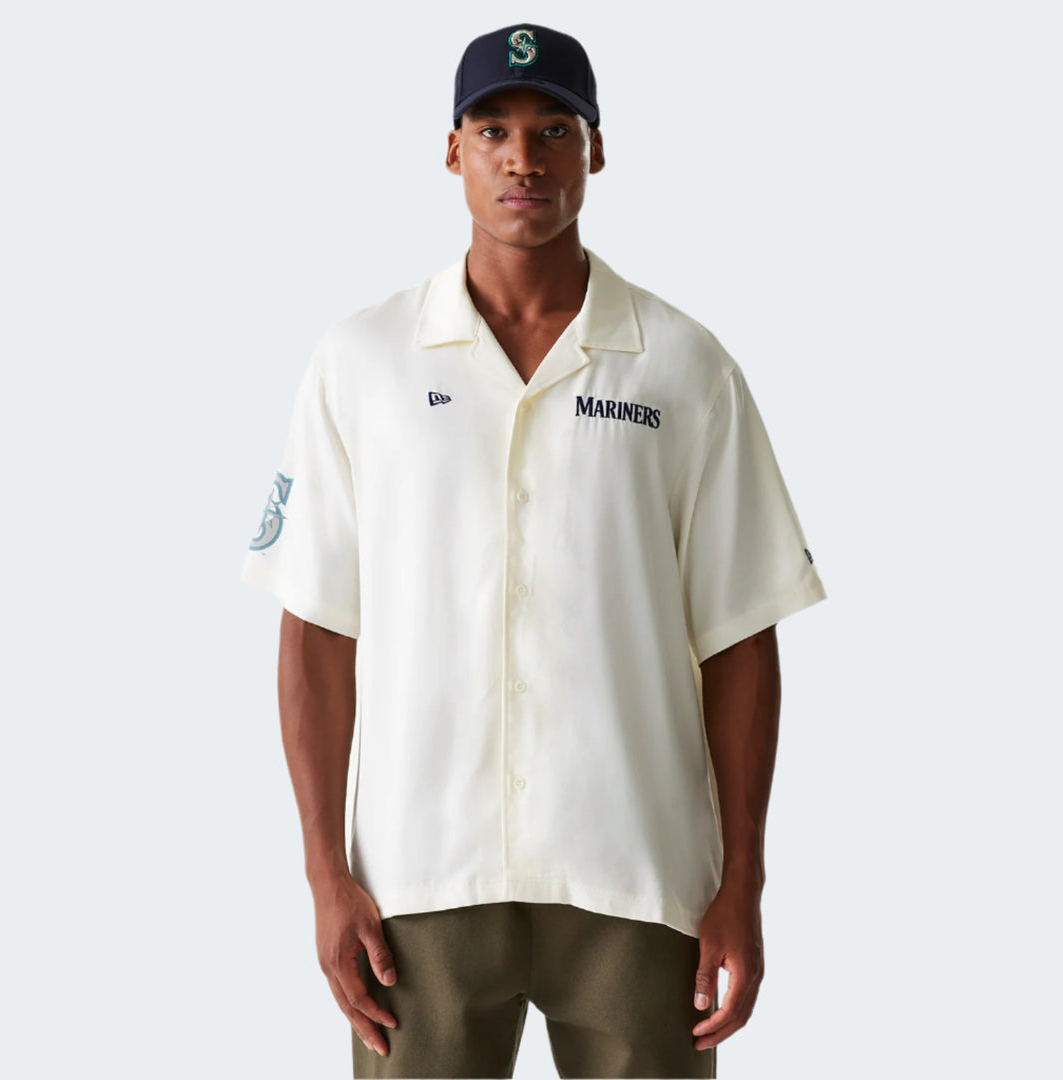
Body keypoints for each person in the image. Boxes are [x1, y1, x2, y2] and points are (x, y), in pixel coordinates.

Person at [240, 22, 827, 1080]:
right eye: (494, 129)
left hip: (638, 876)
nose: (524, 158)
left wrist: (743, 882)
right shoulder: (362, 362)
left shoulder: (684, 368)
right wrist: (326, 876)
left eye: (556, 129)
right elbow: (318, 629)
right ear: (452, 150)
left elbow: (740, 635)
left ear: (596, 149)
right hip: (418, 880)